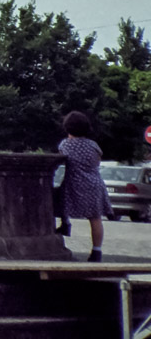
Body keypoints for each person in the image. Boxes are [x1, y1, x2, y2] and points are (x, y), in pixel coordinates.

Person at [57, 110, 112, 263]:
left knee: (61, 200)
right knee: (95, 218)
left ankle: (65, 223)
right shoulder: (93, 145)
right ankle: (96, 251)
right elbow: (98, 160)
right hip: (94, 183)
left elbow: (63, 159)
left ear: (67, 128)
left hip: (74, 183)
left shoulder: (65, 144)